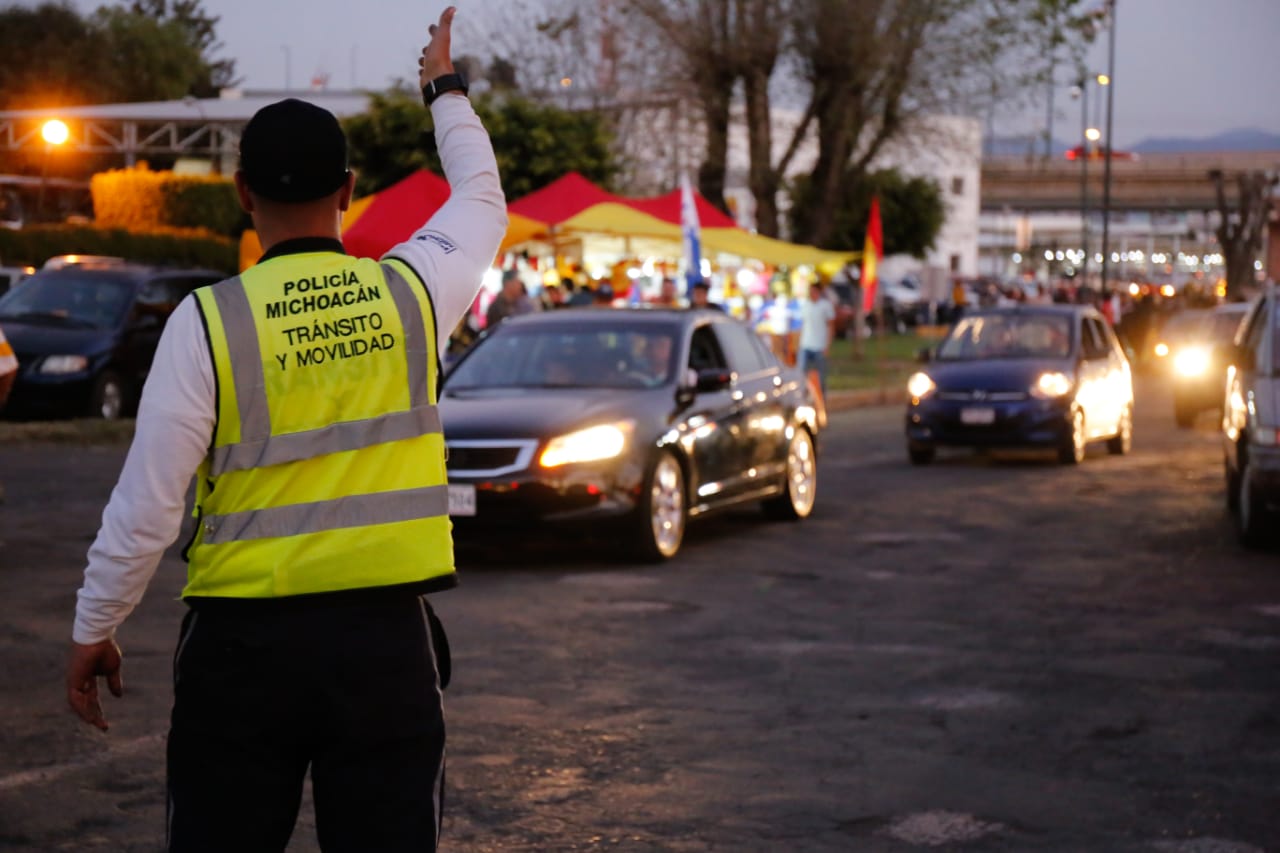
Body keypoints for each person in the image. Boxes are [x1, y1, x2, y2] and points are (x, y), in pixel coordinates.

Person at [63, 8, 506, 851]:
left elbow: (148, 509)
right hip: (385, 650)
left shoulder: (207, 323)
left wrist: (96, 627)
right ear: (348, 192)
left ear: (242, 194)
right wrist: (443, 87)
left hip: (241, 655)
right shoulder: (414, 292)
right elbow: (481, 197)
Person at [798, 281, 836, 399]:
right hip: (806, 344)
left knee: (821, 374)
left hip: (820, 345)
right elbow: (803, 325)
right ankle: (803, 395)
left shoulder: (825, 306)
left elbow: (831, 326)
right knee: (802, 371)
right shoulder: (805, 305)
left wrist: (827, 345)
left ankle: (821, 397)